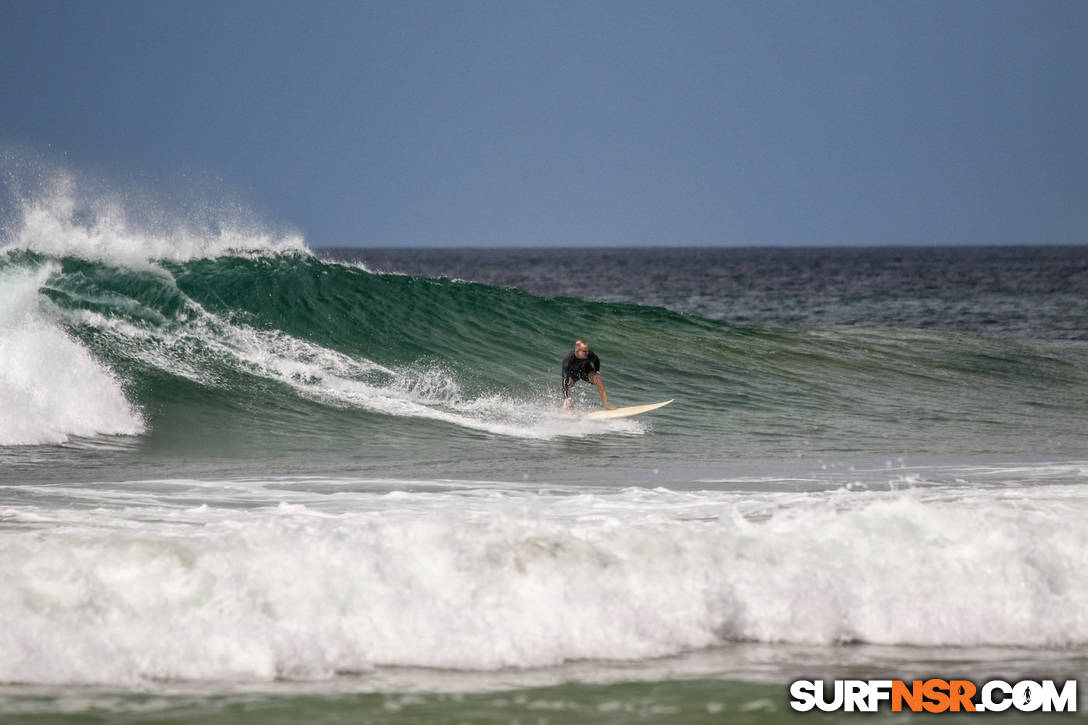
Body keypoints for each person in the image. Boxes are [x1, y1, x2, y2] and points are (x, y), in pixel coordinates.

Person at [561, 339, 617, 410]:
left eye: (587, 350)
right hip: (573, 374)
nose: (587, 353)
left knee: (598, 379)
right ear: (577, 351)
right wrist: (565, 397)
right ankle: (569, 409)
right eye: (584, 351)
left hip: (586, 371)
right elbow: (564, 380)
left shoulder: (589, 354)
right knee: (567, 384)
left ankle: (606, 405)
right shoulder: (568, 360)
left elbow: (596, 360)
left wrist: (597, 372)